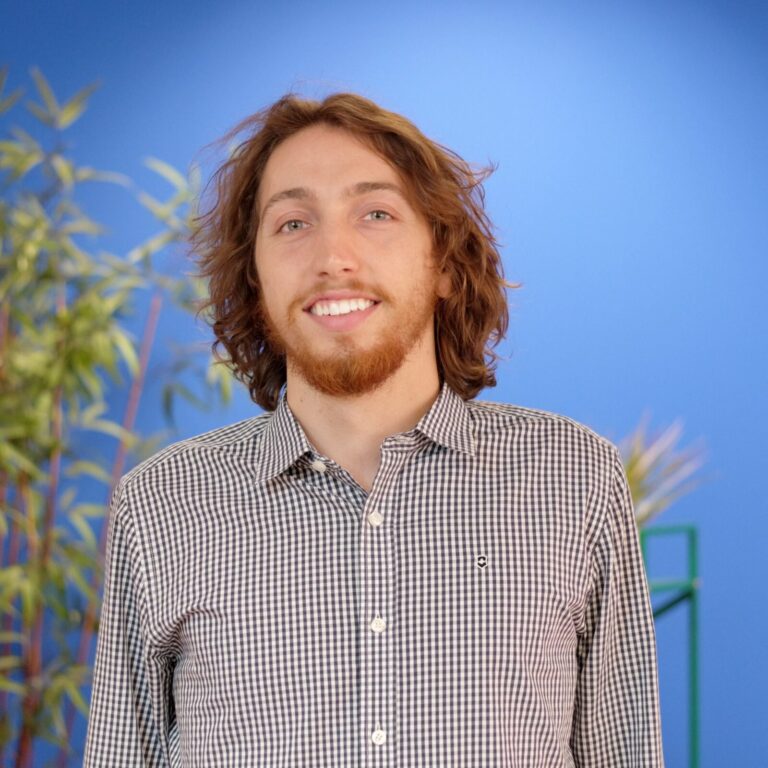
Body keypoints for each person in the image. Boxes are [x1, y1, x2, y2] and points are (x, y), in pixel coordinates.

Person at [83, 93, 663, 767]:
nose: (334, 256)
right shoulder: (161, 504)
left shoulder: (575, 479)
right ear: (255, 277)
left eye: (376, 213)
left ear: (444, 262)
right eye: (293, 223)